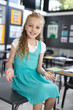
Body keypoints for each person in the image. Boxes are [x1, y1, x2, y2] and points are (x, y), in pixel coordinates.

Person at [6, 12, 59, 110]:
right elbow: (9, 62)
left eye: (37, 27)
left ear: (40, 30)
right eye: (31, 26)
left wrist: (45, 73)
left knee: (54, 88)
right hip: (21, 79)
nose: (33, 29)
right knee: (41, 89)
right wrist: (9, 69)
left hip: (36, 77)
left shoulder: (41, 45)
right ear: (25, 27)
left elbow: (39, 67)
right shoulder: (17, 42)